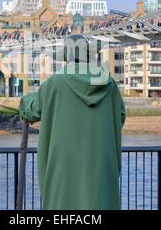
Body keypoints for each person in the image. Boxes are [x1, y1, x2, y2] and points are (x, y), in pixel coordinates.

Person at [19, 34, 126, 210]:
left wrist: (24, 101)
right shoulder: (109, 84)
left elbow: (33, 110)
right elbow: (120, 116)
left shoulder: (55, 83)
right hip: (100, 166)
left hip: (63, 165)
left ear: (65, 58)